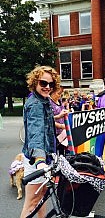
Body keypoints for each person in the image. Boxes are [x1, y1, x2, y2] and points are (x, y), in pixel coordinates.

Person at [20, 65, 61, 218]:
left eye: (51, 84)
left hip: (45, 157)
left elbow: (45, 125)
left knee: (42, 198)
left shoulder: (43, 100)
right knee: (31, 203)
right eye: (43, 83)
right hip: (37, 160)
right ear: (35, 82)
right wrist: (40, 160)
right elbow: (36, 132)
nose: (47, 87)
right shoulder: (36, 104)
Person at [50, 88, 68, 155]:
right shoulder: (49, 103)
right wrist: (61, 125)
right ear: (52, 92)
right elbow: (48, 119)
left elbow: (63, 110)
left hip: (62, 131)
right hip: (54, 132)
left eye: (61, 94)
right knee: (54, 152)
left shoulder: (59, 101)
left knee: (62, 151)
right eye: (58, 93)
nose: (60, 96)